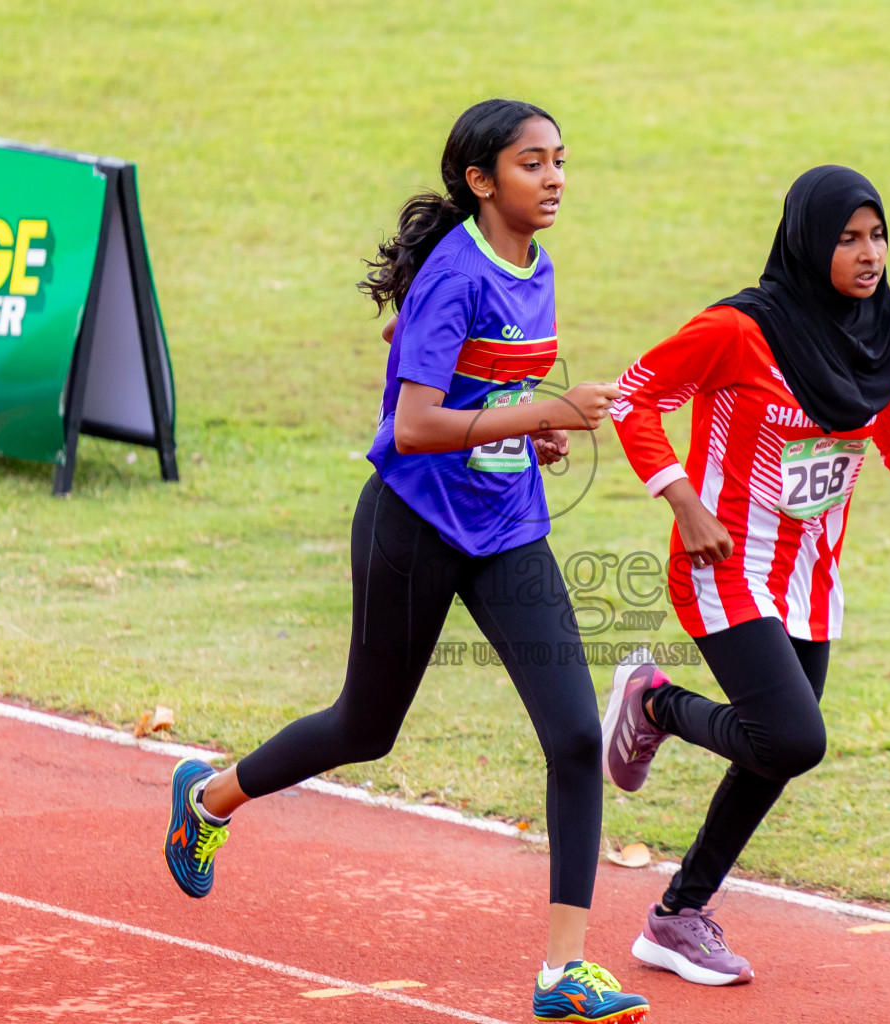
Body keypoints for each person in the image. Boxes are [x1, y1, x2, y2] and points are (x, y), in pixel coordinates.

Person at [163, 99, 649, 1023]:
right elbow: (416, 425)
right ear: (480, 180)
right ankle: (210, 797)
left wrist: (526, 432)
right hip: (415, 525)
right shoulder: (457, 272)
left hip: (507, 527)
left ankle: (563, 972)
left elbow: (479, 377)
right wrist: (544, 414)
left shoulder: (535, 264)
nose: (554, 179)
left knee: (577, 737)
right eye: (532, 164)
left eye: (560, 160)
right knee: (365, 726)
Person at [601, 165, 890, 987]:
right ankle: (652, 703)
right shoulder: (737, 330)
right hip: (723, 563)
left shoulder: (886, 335)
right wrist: (682, 500)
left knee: (772, 754)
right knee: (792, 738)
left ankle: (677, 917)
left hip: (809, 577)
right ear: (808, 242)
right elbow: (635, 399)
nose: (869, 254)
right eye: (848, 239)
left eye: (878, 236)